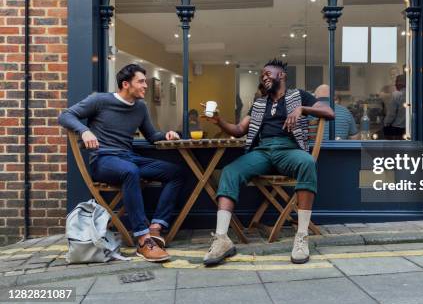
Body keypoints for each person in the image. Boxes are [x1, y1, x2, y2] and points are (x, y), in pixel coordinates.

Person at [201, 59, 334, 266]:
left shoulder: (298, 95)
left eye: (268, 74)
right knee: (230, 171)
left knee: (307, 162)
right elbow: (238, 130)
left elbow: (329, 112)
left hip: (288, 149)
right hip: (262, 152)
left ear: (281, 75)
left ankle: (301, 237)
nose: (263, 77)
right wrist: (219, 121)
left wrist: (302, 109)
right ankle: (221, 239)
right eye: (262, 75)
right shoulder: (259, 103)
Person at [58, 64, 184, 262]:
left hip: (128, 158)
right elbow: (65, 115)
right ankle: (143, 240)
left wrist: (167, 135)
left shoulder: (140, 107)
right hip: (103, 160)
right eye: (141, 82)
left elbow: (152, 136)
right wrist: (84, 130)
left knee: (176, 172)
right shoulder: (99, 100)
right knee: (130, 172)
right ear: (126, 84)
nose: (145, 86)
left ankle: (156, 227)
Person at [383, 74, 407, 139]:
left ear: (401, 83)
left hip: (396, 129)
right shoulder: (411, 94)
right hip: (409, 129)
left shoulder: (396, 94)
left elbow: (391, 114)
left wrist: (385, 123)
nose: (395, 84)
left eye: (396, 82)